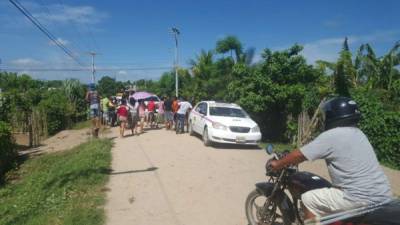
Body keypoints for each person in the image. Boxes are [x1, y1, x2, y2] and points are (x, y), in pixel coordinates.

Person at [269, 97, 393, 221]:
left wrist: (277, 164)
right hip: (383, 195)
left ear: (333, 116)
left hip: (358, 199)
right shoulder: (359, 134)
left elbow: (300, 155)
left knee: (308, 199)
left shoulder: (331, 136)